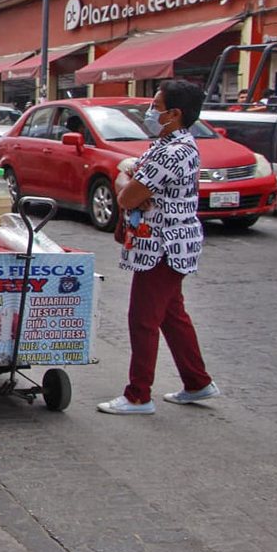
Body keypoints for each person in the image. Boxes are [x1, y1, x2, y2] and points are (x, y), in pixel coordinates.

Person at [98, 80, 220, 415]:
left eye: (157, 106)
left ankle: (138, 395)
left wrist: (125, 180)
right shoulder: (170, 144)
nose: (151, 112)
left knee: (143, 319)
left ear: (175, 114)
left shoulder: (170, 152)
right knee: (172, 315)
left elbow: (127, 193)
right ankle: (197, 382)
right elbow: (134, 181)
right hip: (168, 243)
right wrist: (131, 180)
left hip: (163, 247)